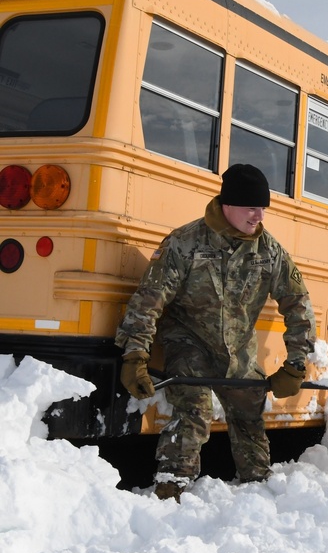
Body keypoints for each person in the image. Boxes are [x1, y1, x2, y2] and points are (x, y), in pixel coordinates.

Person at [115, 164, 316, 501]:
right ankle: (170, 489)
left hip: (238, 352)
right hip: (189, 343)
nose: (259, 216)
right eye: (252, 207)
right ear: (228, 205)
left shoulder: (269, 251)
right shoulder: (184, 243)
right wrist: (135, 353)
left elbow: (299, 305)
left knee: (249, 414)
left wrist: (296, 364)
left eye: (263, 207)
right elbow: (148, 300)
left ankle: (257, 492)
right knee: (194, 409)